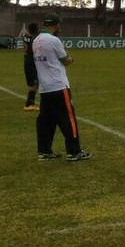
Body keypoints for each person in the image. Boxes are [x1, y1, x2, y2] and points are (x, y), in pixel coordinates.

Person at [33, 13, 91, 162]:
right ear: (55, 25)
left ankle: (44, 151)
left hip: (45, 87)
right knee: (68, 118)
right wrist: (71, 58)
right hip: (58, 86)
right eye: (59, 25)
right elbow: (66, 60)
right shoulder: (54, 40)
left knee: (46, 121)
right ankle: (74, 151)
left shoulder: (36, 40)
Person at [22, 22, 40, 111]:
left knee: (35, 82)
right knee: (36, 83)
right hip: (32, 61)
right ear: (35, 30)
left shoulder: (25, 37)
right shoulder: (35, 38)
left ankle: (31, 103)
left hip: (26, 60)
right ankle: (29, 104)